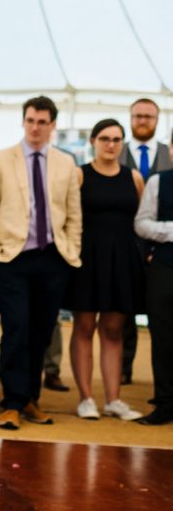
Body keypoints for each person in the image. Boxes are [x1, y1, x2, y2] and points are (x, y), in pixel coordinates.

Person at [0, 95, 82, 431]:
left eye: (42, 122)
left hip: (53, 258)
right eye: (30, 120)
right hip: (12, 258)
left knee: (41, 332)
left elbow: (74, 214)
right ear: (23, 122)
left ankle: (31, 400)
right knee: (16, 328)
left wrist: (71, 250)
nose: (35, 127)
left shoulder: (66, 163)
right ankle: (11, 403)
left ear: (53, 125)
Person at [67, 119, 145, 421]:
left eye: (116, 139)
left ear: (122, 143)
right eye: (104, 138)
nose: (110, 144)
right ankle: (86, 398)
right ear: (93, 141)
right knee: (84, 327)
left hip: (122, 260)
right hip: (88, 259)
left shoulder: (134, 178)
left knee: (113, 330)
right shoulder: (80, 175)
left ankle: (114, 399)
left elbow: (139, 220)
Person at [120, 98, 169, 383]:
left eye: (148, 117)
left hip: (162, 251)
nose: (142, 121)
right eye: (138, 116)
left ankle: (162, 378)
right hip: (126, 248)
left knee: (161, 316)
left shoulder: (167, 153)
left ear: (157, 119)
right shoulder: (114, 151)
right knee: (124, 311)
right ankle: (124, 369)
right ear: (130, 118)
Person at [135, 161, 173, 425]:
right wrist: (171, 230)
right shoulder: (158, 181)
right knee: (162, 338)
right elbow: (141, 224)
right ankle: (165, 404)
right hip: (165, 268)